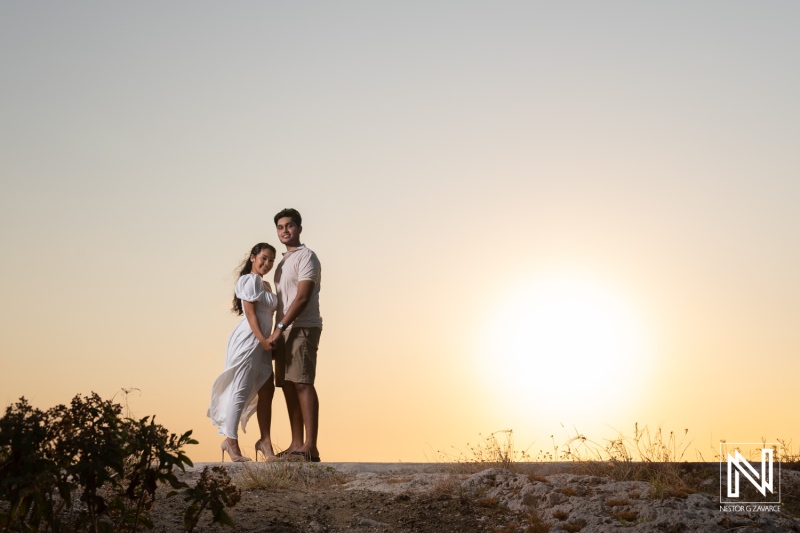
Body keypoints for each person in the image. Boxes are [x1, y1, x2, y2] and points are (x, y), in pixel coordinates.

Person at [207, 243, 279, 462]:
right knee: (241, 387)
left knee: (267, 390)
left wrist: (269, 342)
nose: (266, 264)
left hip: (263, 341)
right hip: (249, 339)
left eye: (271, 261)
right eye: (263, 258)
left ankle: (264, 442)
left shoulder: (265, 284)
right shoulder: (249, 280)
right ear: (253, 258)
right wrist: (262, 340)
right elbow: (250, 314)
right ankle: (231, 441)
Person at [267, 208, 323, 462]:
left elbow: (302, 297)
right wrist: (277, 330)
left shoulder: (307, 257)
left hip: (302, 327)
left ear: (299, 228)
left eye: (289, 225)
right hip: (284, 329)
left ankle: (310, 446)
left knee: (302, 383)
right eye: (280, 227)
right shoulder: (281, 263)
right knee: (288, 385)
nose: (285, 230)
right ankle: (296, 444)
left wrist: (280, 328)